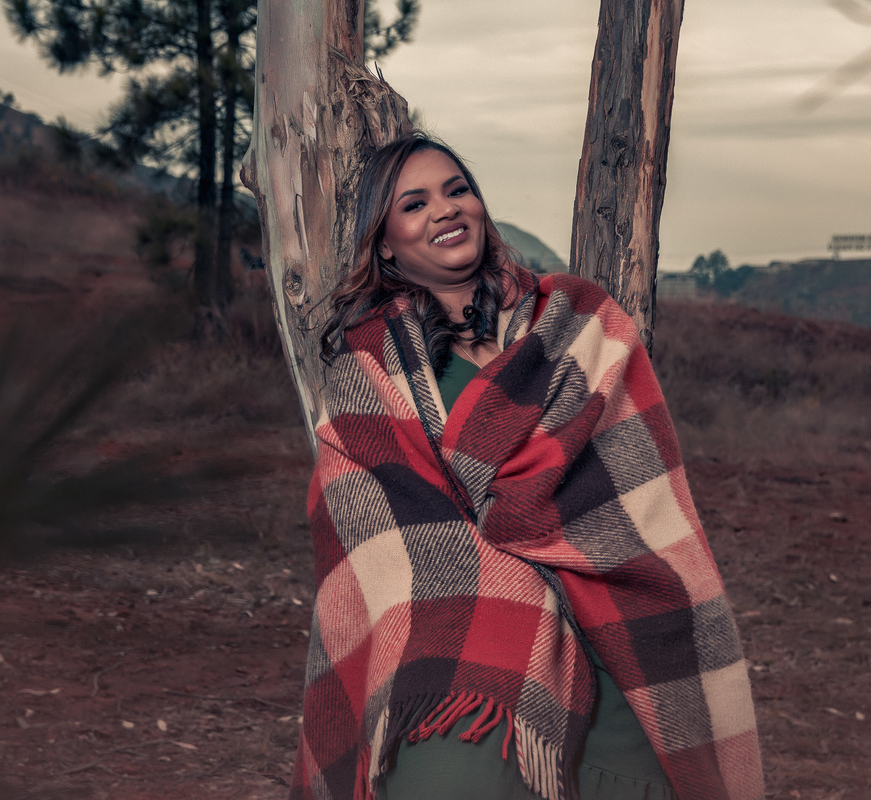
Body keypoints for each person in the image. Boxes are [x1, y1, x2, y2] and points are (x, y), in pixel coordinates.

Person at [290, 133, 764, 800]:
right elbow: (384, 529)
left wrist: (551, 542)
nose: (447, 210)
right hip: (458, 614)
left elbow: (634, 488)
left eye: (458, 190)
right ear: (386, 243)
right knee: (450, 774)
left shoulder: (577, 320)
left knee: (654, 760)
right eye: (416, 203)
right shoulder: (368, 372)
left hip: (613, 592)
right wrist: (511, 568)